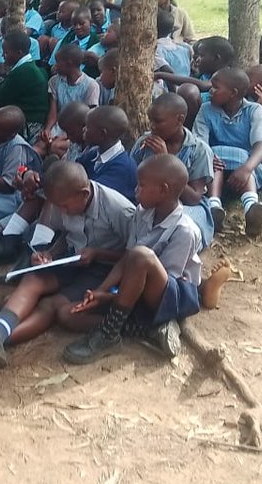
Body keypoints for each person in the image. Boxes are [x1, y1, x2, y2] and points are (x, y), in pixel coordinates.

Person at [0, 160, 136, 368]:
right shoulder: (65, 199)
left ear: (84, 194)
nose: (62, 211)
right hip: (73, 258)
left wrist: (98, 253)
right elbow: (67, 234)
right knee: (33, 279)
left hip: (104, 270)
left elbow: (132, 256)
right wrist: (49, 254)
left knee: (51, 306)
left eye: (65, 206)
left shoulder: (119, 210)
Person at [61, 154, 203, 364]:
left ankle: (109, 333)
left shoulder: (184, 231)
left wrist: (112, 297)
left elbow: (162, 283)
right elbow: (126, 259)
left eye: (142, 185)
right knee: (67, 315)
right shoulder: (142, 213)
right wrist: (101, 291)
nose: (136, 190)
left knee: (142, 255)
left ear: (163, 190)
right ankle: (145, 328)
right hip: (133, 292)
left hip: (169, 297)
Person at [131, 93, 218, 247]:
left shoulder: (199, 150)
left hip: (187, 207)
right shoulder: (144, 144)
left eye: (158, 121)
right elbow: (132, 180)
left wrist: (166, 159)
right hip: (149, 204)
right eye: (150, 120)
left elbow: (194, 198)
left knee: (182, 230)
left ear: (180, 120)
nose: (152, 126)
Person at [193, 66, 262, 236]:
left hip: (246, 169)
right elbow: (200, 142)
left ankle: (252, 208)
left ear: (233, 93)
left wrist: (246, 169)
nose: (211, 91)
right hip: (215, 167)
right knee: (215, 159)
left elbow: (261, 145)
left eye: (216, 87)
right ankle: (214, 207)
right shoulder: (206, 109)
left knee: (245, 160)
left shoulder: (254, 110)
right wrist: (209, 156)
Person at [0, 30, 50, 144]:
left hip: (27, 125)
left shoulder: (25, 72)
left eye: (6, 53)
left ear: (19, 53)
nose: (3, 56)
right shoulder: (28, 67)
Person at [43, 43, 101, 142]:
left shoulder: (91, 85)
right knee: (40, 146)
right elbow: (53, 112)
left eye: (58, 63)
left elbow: (89, 118)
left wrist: (67, 136)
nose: (55, 66)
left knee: (56, 147)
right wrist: (47, 129)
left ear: (69, 63)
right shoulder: (54, 81)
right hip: (58, 127)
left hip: (78, 132)